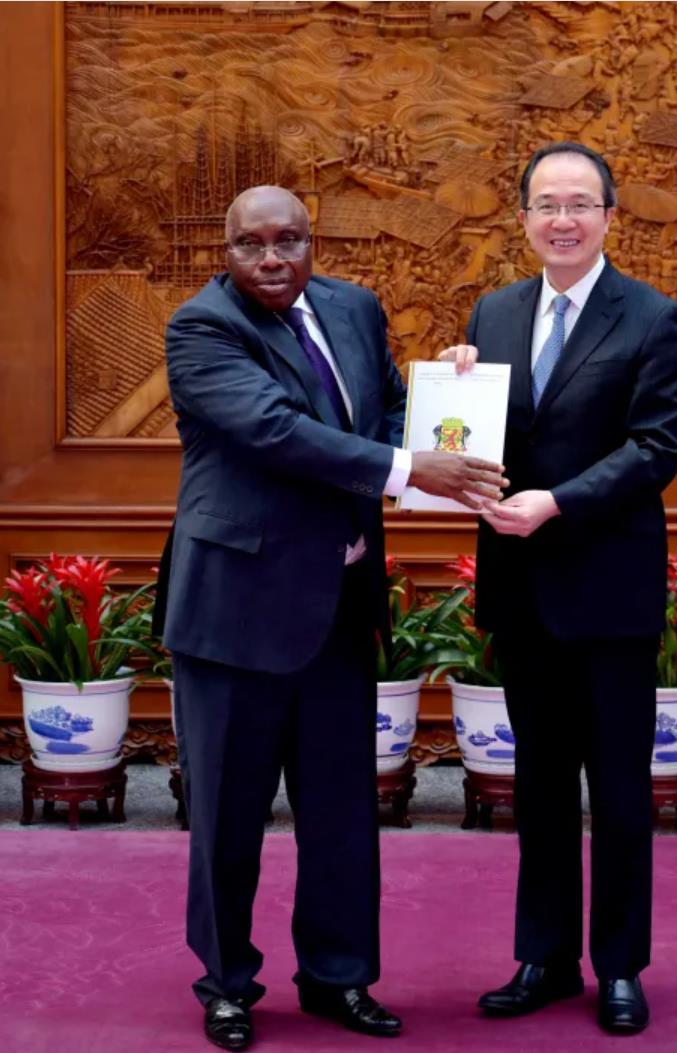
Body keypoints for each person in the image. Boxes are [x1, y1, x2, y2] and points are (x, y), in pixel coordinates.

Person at [160, 185, 505, 1051]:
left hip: (338, 606)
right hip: (236, 612)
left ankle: (338, 976)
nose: (272, 258)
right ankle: (226, 983)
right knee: (228, 815)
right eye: (251, 244)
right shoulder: (202, 329)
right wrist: (411, 468)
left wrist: (453, 404)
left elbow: (386, 411)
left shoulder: (352, 308)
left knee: (344, 811)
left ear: (313, 242)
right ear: (225, 252)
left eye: (289, 239)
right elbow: (276, 431)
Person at [440, 142, 677, 1035]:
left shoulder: (654, 317)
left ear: (609, 217)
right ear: (523, 219)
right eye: (546, 204)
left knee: (619, 789)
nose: (563, 220)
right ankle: (545, 957)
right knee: (540, 785)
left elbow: (656, 447)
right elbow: (479, 435)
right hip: (523, 589)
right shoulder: (495, 312)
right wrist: (455, 392)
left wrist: (559, 502)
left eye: (580, 204)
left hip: (609, 588)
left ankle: (620, 965)